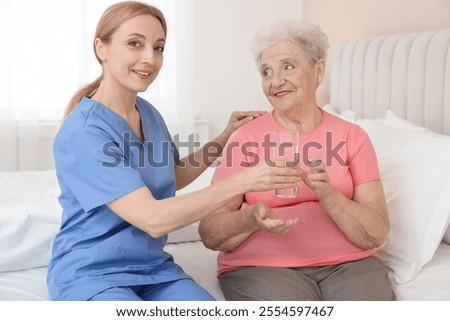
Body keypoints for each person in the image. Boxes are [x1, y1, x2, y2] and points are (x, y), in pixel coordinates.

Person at [46, 1, 301, 301]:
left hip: (152, 270)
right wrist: (246, 180)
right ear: (101, 48)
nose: (149, 59)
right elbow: (153, 219)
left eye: (158, 48)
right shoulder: (84, 133)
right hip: (92, 274)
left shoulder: (147, 113)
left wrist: (224, 138)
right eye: (134, 44)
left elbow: (172, 175)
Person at [199, 20, 396, 301]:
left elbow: (376, 233)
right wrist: (251, 217)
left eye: (288, 66)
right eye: (267, 72)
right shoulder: (245, 138)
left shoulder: (353, 137)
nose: (275, 81)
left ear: (318, 71)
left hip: (351, 265)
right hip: (262, 267)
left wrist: (330, 195)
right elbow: (210, 233)